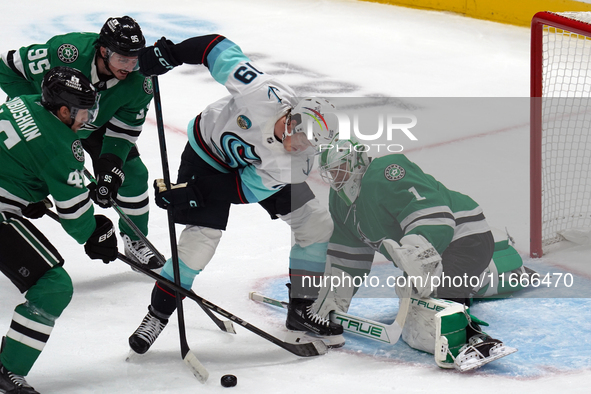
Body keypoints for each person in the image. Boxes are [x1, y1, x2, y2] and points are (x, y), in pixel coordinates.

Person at [125, 34, 345, 354]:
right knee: (199, 243)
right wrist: (167, 55)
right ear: (293, 117)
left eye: (310, 145)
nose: (300, 148)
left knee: (315, 223)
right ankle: (156, 316)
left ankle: (302, 308)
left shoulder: (293, 164)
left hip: (238, 174)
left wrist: (192, 193)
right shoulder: (261, 93)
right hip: (205, 152)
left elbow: (241, 189)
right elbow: (213, 46)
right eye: (300, 137)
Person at [309, 136, 519, 370]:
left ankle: (473, 337)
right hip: (435, 253)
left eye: (341, 168)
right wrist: (334, 297)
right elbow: (348, 256)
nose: (337, 177)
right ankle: (482, 276)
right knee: (418, 309)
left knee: (426, 321)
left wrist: (417, 251)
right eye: (332, 172)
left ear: (358, 161)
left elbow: (434, 216)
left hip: (465, 238)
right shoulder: (339, 202)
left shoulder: (387, 171)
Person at [0, 16, 161, 270]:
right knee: (47, 166)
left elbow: (125, 129)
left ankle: (135, 240)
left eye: (135, 59)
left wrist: (111, 166)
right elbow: (6, 67)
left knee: (134, 173)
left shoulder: (141, 81)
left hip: (97, 124)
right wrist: (42, 118)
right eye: (123, 59)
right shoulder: (67, 51)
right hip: (55, 115)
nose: (130, 67)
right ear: (103, 50)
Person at [0, 67, 119, 394]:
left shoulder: (24, 102)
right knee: (52, 286)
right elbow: (76, 217)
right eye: (83, 111)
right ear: (64, 110)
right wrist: (98, 234)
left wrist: (30, 192)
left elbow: (22, 154)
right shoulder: (61, 145)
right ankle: (7, 371)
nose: (87, 118)